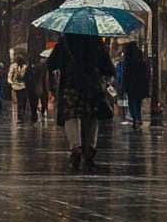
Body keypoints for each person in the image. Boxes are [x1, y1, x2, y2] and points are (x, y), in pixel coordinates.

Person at [47, 34, 116, 169]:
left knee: (70, 115)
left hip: (71, 84)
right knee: (91, 116)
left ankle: (75, 147)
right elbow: (108, 67)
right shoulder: (95, 40)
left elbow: (51, 63)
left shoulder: (65, 40)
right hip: (91, 86)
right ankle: (90, 148)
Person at [123, 42, 151, 128]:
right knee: (138, 101)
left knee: (132, 101)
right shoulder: (140, 58)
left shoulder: (128, 59)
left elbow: (126, 74)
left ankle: (134, 117)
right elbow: (145, 72)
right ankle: (138, 117)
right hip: (139, 83)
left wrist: (124, 87)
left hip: (131, 83)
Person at [25, 51, 49, 122]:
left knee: (33, 103)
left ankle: (34, 115)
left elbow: (26, 79)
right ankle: (42, 111)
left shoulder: (28, 69)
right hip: (40, 87)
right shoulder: (42, 68)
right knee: (43, 100)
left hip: (32, 88)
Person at [9, 52, 30, 123]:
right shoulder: (13, 66)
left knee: (23, 100)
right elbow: (10, 75)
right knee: (20, 101)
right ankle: (20, 115)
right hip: (16, 86)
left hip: (24, 86)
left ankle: (23, 112)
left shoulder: (25, 67)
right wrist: (10, 82)